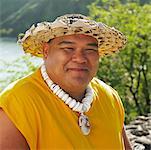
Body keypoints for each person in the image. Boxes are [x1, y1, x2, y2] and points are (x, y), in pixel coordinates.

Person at [0, 14, 132, 149]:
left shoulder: (110, 97)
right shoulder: (17, 105)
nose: (80, 58)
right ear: (46, 51)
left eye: (90, 49)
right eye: (68, 48)